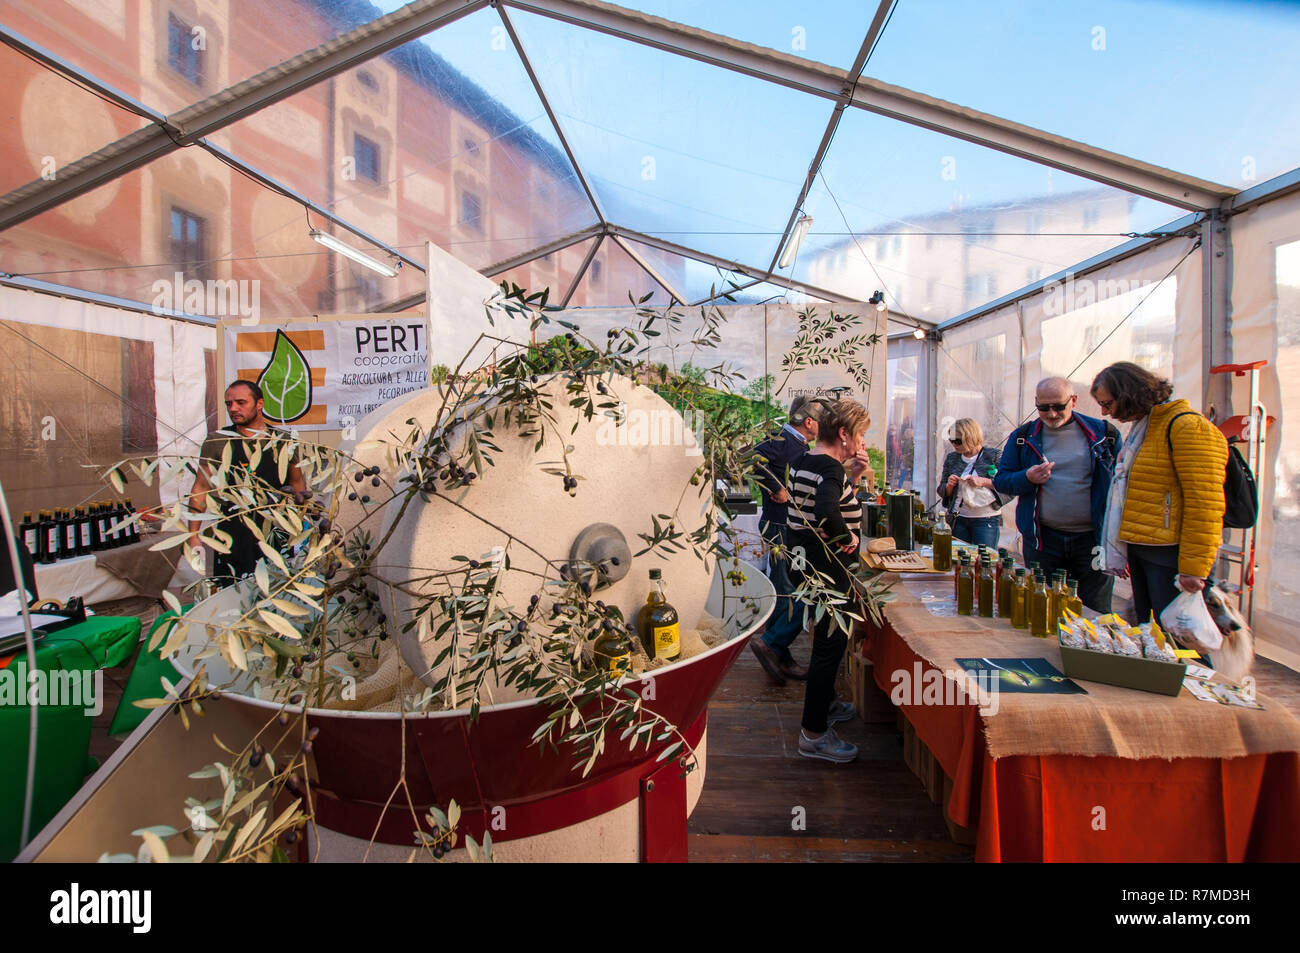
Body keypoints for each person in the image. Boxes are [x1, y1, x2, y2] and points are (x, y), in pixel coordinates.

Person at [1091, 362, 1228, 623]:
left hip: (1171, 556)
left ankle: (1195, 667)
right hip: (1145, 547)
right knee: (1152, 631)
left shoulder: (1187, 427)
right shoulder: (1146, 430)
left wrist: (1193, 569)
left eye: (1108, 404)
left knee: (1180, 637)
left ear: (1128, 395)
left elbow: (1205, 503)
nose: (1105, 413)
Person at [786, 398, 872, 764]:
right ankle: (814, 733)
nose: (862, 443)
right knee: (828, 649)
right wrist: (848, 540)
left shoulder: (805, 460)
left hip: (805, 565)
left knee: (824, 642)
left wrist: (850, 479)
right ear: (843, 434)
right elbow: (824, 511)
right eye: (862, 435)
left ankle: (828, 704)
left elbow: (814, 502)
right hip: (827, 570)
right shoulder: (830, 469)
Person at [993, 377, 1121, 612]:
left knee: (1095, 610)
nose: (1051, 414)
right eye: (1043, 408)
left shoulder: (1105, 435)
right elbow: (1001, 481)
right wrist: (1026, 478)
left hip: (1092, 541)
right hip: (1044, 541)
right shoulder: (1023, 437)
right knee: (1043, 608)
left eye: (1058, 407)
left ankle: (1089, 650)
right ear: (1036, 403)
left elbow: (1122, 486)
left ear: (1073, 400)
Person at [188, 380, 307, 587]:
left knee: (278, 592)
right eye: (229, 404)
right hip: (232, 534)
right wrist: (193, 535)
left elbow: (297, 484)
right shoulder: (217, 442)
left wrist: (303, 528)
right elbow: (201, 487)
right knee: (233, 595)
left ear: (259, 404)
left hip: (275, 531)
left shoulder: (284, 440)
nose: (233, 409)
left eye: (240, 402)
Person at [748, 396, 825, 684]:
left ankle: (779, 652)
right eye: (820, 420)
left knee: (787, 590)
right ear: (808, 422)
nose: (823, 426)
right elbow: (752, 457)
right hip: (779, 525)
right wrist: (775, 486)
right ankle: (771, 644)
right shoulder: (783, 440)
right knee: (790, 591)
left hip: (784, 526)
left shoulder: (795, 444)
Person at [937, 417, 1005, 548]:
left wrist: (983, 482)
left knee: (984, 558)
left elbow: (1007, 486)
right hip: (958, 518)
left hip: (986, 519)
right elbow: (942, 490)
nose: (954, 444)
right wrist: (949, 486)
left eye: (958, 441)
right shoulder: (952, 458)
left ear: (971, 437)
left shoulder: (994, 456)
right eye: (951, 440)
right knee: (957, 558)